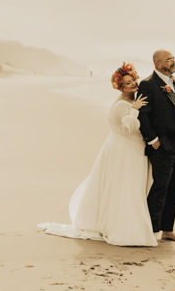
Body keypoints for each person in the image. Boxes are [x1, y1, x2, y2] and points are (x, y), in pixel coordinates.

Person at [38, 62, 158, 247]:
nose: (133, 84)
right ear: (120, 86)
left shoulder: (131, 101)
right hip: (125, 150)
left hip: (129, 148)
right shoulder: (123, 106)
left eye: (133, 80)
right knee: (125, 186)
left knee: (129, 186)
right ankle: (123, 228)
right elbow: (129, 129)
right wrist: (135, 110)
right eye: (128, 83)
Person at [137, 50, 175, 243]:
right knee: (160, 187)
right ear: (157, 63)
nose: (173, 61)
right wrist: (153, 140)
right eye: (169, 59)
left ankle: (167, 229)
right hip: (163, 146)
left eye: (174, 58)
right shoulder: (148, 84)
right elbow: (142, 114)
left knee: (174, 188)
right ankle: (151, 230)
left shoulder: (173, 81)